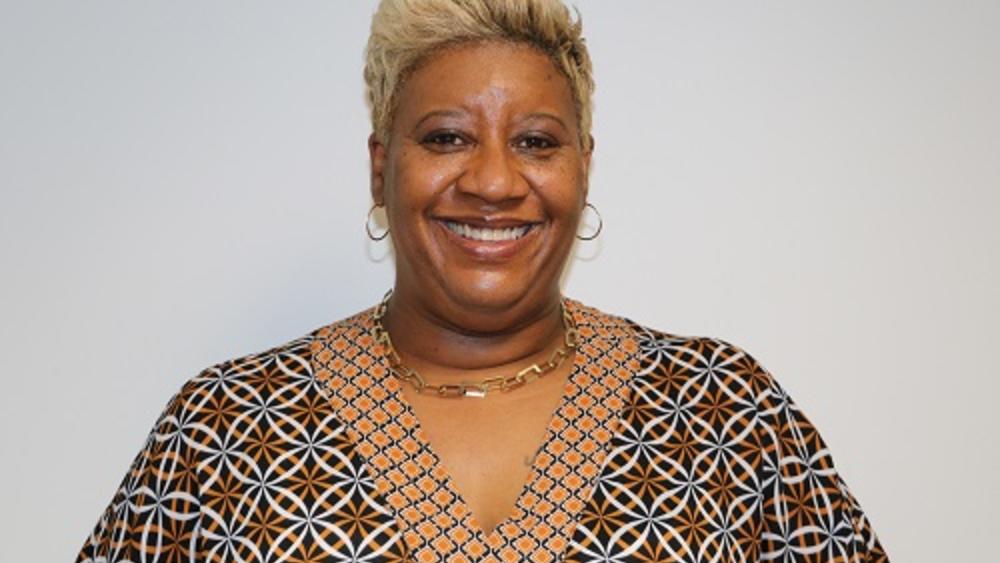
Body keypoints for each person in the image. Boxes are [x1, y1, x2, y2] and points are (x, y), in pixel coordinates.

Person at [77, 1, 888, 561]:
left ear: (583, 168)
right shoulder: (223, 433)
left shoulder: (725, 416)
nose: (495, 182)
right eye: (446, 137)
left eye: (536, 141)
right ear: (381, 169)